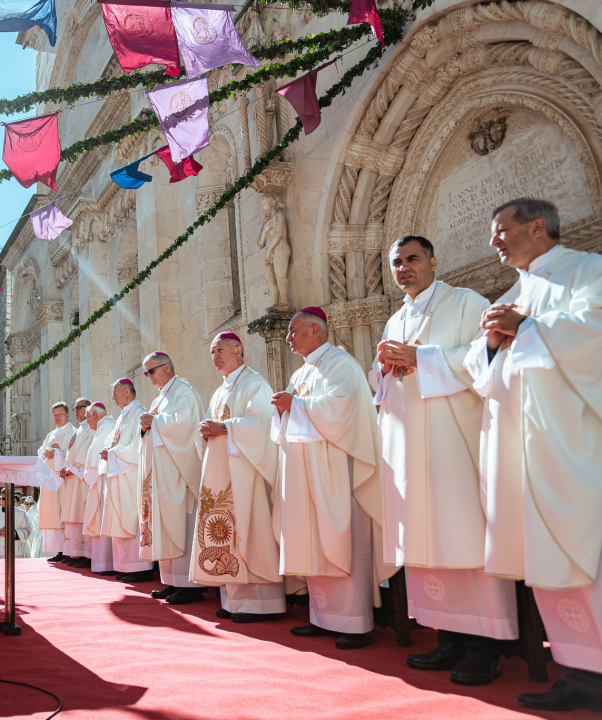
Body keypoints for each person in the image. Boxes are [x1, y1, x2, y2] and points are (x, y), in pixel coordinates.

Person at [462, 198, 602, 712]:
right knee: (546, 556)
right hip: (523, 448)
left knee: (589, 551)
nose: (493, 242)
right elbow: (478, 369)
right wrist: (492, 343)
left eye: (501, 231)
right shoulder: (515, 293)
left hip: (573, 443)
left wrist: (526, 328)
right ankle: (581, 671)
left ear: (538, 226)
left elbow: (598, 332)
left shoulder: (589, 272)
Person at [370, 235, 514, 685]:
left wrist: (422, 359)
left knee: (462, 535)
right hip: (411, 449)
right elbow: (380, 386)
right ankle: (448, 635)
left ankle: (485, 646)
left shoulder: (466, 303)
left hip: (455, 443)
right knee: (426, 539)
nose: (403, 268)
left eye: (412, 259)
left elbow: (485, 360)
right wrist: (384, 369)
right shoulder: (395, 319)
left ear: (433, 262)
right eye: (396, 262)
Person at [271, 308, 385, 649]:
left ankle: (355, 622)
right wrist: (283, 408)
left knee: (342, 542)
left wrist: (295, 405)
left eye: (293, 331)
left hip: (335, 471)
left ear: (315, 331)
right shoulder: (301, 373)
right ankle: (322, 617)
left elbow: (342, 409)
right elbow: (291, 415)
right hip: (306, 470)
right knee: (312, 540)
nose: (288, 338)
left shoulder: (341, 364)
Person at [193, 332, 285, 622]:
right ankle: (233, 601)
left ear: (238, 350)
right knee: (224, 532)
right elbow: (211, 425)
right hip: (222, 474)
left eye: (220, 350)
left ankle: (260, 604)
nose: (215, 356)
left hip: (246, 475)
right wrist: (205, 432)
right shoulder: (219, 392)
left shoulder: (254, 383)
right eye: (212, 352)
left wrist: (225, 428)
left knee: (251, 529)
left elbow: (261, 423)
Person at [138, 351, 206, 605]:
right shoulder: (161, 398)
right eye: (146, 373)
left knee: (183, 526)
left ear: (166, 367)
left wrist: (155, 423)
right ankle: (173, 581)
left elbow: (186, 426)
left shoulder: (184, 391)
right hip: (163, 476)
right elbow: (152, 428)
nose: (149, 377)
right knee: (165, 525)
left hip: (179, 474)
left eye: (151, 371)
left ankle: (191, 585)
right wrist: (144, 427)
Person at [100, 378, 153, 582]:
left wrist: (113, 454)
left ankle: (140, 567)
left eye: (115, 393)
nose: (113, 398)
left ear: (127, 392)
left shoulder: (139, 413)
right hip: (119, 473)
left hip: (131, 475)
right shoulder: (123, 416)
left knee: (132, 517)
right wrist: (109, 451)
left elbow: (138, 446)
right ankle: (125, 566)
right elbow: (115, 440)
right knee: (120, 518)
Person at [37, 402, 76, 561]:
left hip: (65, 479)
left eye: (60, 414)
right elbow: (41, 452)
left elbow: (74, 454)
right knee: (53, 514)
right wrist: (45, 454)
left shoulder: (73, 433)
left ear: (67, 415)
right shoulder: (50, 435)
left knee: (64, 513)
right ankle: (59, 550)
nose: (57, 418)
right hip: (50, 481)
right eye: (54, 415)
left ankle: (69, 550)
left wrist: (58, 454)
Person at [59, 397, 95, 567]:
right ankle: (74, 552)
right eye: (75, 408)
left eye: (79, 407)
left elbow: (86, 451)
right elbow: (71, 453)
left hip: (82, 479)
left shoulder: (91, 428)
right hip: (73, 477)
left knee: (80, 513)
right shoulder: (79, 429)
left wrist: (72, 468)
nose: (76, 411)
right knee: (72, 514)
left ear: (88, 409)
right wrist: (66, 468)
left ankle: (86, 553)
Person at [81, 403, 116, 574]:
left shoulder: (106, 426)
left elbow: (97, 457)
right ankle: (102, 563)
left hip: (102, 481)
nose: (87, 421)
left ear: (95, 415)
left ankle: (106, 563)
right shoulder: (105, 426)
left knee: (103, 520)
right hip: (100, 481)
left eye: (88, 417)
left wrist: (88, 476)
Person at [0, 491, 32, 559]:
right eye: (3, 499)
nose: (5, 501)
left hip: (15, 549)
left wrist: (14, 533)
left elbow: (27, 530)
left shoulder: (21, 513)